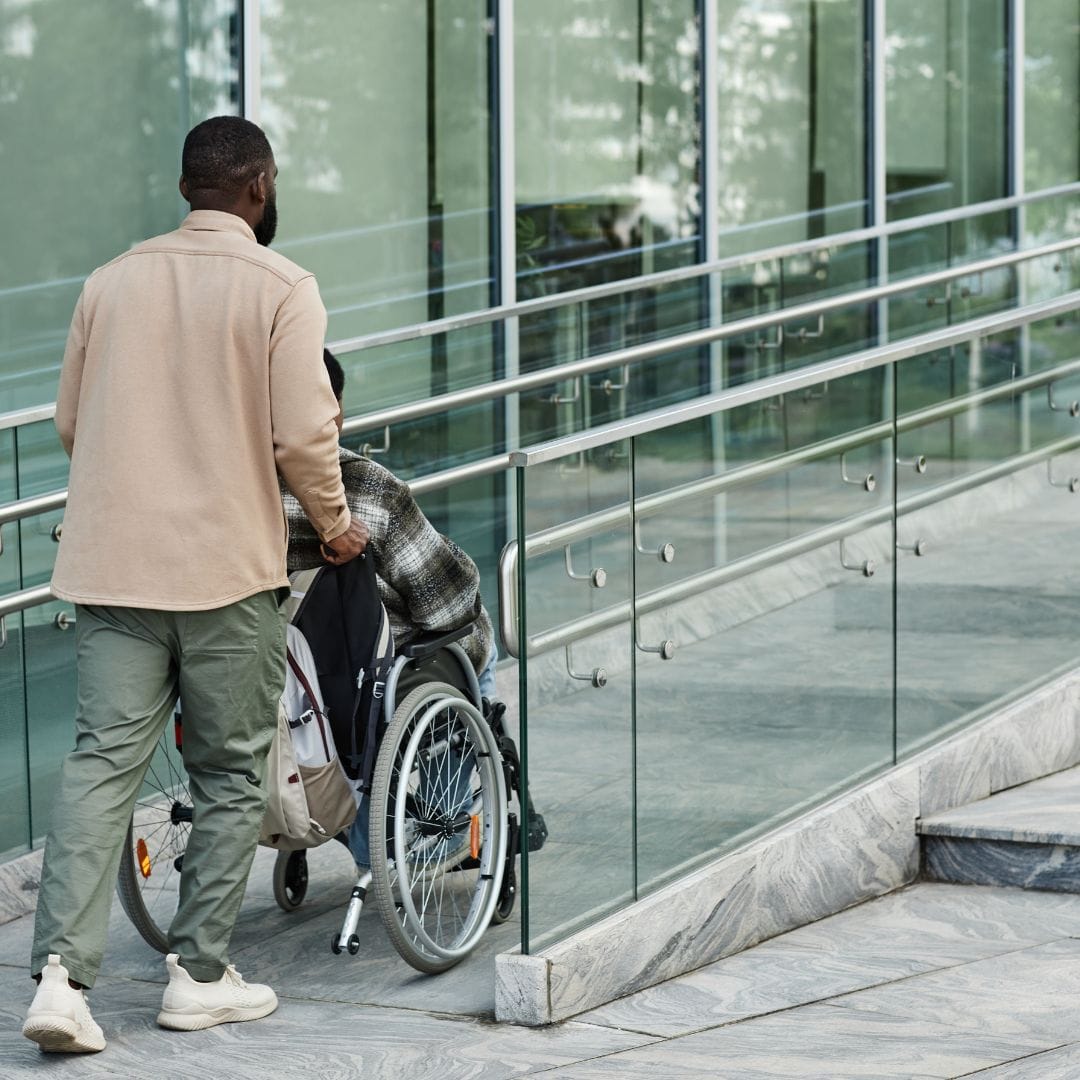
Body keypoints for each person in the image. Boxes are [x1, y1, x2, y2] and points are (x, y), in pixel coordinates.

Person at [22, 116, 367, 1055]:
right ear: (259, 187)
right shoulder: (283, 287)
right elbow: (305, 436)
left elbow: (71, 421)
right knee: (227, 771)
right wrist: (335, 525)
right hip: (225, 572)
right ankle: (199, 977)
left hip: (115, 568)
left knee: (101, 766)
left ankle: (60, 982)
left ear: (186, 188)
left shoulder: (109, 282)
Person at [282, 349, 499, 872]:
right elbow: (447, 602)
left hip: (272, 673)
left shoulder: (232, 493)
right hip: (365, 682)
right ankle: (440, 824)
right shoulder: (367, 490)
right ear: (334, 412)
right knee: (477, 651)